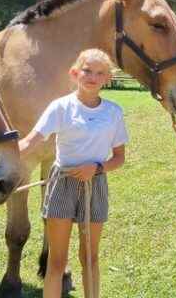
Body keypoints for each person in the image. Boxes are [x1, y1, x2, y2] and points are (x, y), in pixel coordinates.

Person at [18, 48, 128, 298]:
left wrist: (97, 168)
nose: (92, 76)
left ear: (107, 78)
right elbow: (29, 142)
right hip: (62, 184)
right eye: (87, 70)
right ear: (74, 73)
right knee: (57, 262)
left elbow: (120, 158)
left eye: (100, 73)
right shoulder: (61, 107)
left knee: (90, 257)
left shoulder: (113, 112)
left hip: (96, 185)